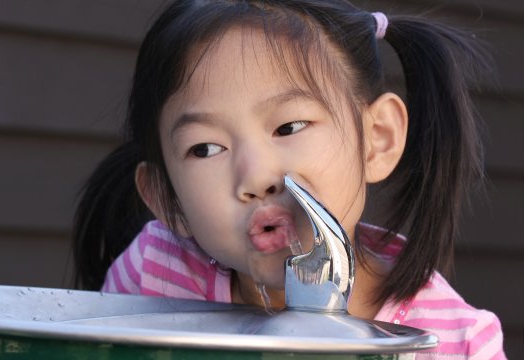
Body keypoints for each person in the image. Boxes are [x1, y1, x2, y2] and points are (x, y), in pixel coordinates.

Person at [73, 1, 505, 358]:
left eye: (290, 126)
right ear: (168, 199)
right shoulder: (155, 276)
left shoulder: (458, 342)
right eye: (205, 148)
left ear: (377, 139)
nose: (257, 177)